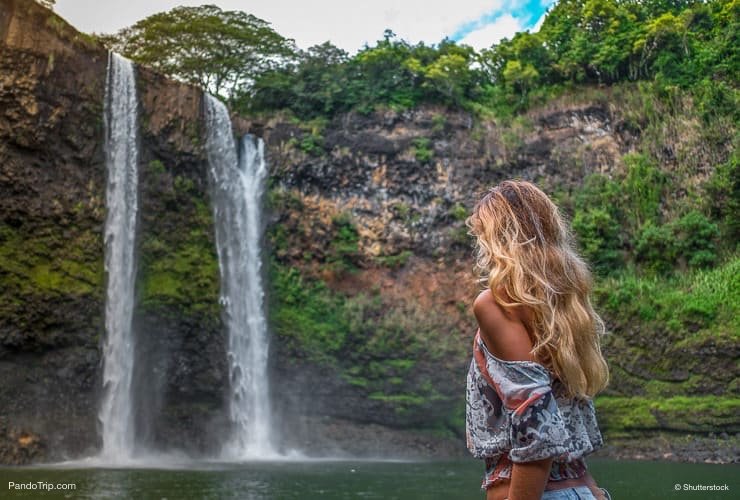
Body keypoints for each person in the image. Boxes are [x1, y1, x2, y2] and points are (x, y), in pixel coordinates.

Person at [465, 180, 611, 500]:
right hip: (583, 491)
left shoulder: (495, 304)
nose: (480, 245)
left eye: (482, 235)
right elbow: (559, 423)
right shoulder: (564, 307)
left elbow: (538, 428)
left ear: (498, 238)